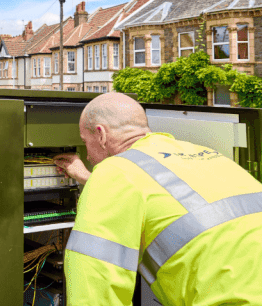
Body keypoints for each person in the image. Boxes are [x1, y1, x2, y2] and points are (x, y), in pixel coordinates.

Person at [54, 92, 262, 306]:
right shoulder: (201, 152)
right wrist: (88, 178)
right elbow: (164, 199)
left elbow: (94, 287)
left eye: (85, 143)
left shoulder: (112, 172)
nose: (87, 156)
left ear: (101, 135)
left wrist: (99, 179)